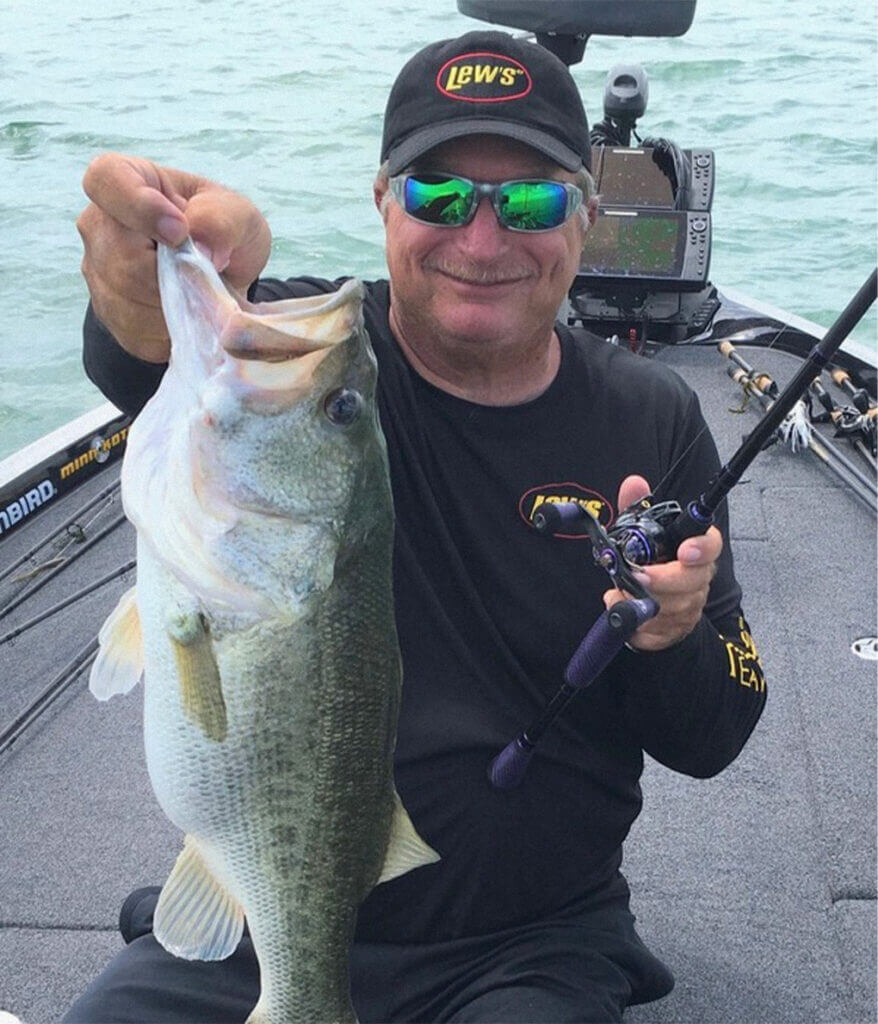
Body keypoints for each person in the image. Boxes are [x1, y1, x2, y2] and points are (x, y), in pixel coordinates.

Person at [67, 29, 767, 1024]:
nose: (481, 242)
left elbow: (716, 730)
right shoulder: (309, 372)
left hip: (529, 944)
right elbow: (140, 352)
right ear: (382, 201)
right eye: (438, 196)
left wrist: (671, 633)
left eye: (528, 200)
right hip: (268, 912)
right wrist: (149, 268)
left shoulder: (648, 419)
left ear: (588, 216)